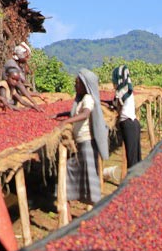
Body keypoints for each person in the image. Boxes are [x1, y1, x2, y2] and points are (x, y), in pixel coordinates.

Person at [54, 69, 110, 205]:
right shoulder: (81, 100)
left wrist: (66, 122)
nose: (75, 86)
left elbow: (84, 114)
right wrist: (60, 115)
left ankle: (95, 205)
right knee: (71, 168)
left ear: (85, 85)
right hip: (81, 143)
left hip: (87, 143)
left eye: (77, 83)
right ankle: (70, 197)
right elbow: (75, 112)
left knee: (90, 176)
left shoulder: (88, 99)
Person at [111, 64, 142, 168]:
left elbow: (117, 105)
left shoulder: (122, 91)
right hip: (134, 124)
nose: (113, 83)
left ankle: (133, 181)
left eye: (113, 80)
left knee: (132, 158)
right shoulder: (127, 89)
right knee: (136, 156)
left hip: (129, 125)